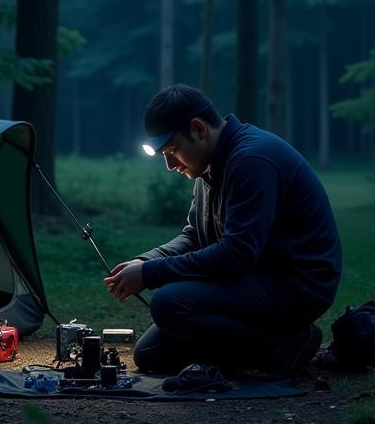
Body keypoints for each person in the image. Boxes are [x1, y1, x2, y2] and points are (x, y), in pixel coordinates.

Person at [103, 84, 342, 379]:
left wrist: (151, 274)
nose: (169, 165)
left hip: (295, 284)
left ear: (199, 128)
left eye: (173, 150)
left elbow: (236, 254)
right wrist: (145, 261)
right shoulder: (209, 166)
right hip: (253, 277)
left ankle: (286, 344)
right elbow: (193, 236)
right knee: (150, 353)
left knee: (169, 303)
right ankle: (251, 351)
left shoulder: (251, 159)